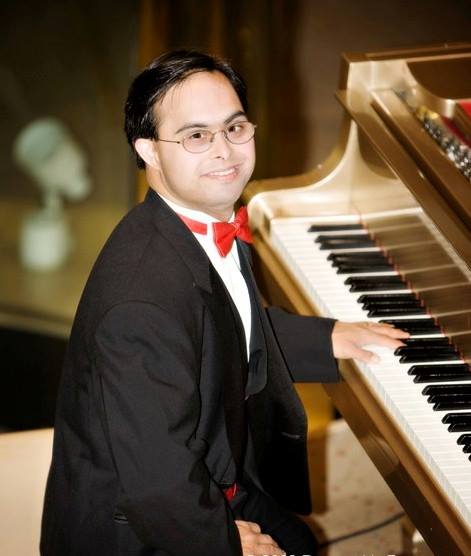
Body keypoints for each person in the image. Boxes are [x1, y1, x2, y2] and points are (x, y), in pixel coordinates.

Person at [40, 50, 407, 556]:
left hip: (208, 471)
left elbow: (220, 323)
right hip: (139, 526)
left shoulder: (193, 225)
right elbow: (155, 478)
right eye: (196, 136)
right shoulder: (139, 304)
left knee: (300, 539)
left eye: (235, 128)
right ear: (148, 150)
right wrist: (226, 542)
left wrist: (327, 337)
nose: (225, 152)